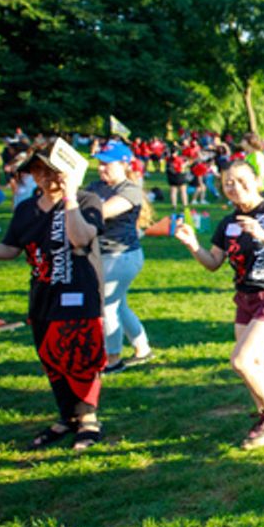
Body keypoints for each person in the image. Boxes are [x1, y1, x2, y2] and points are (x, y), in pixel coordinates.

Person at [0, 144, 109, 450]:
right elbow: (11, 249)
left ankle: (88, 419)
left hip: (81, 295)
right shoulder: (26, 208)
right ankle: (67, 417)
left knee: (80, 357)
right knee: (51, 358)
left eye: (51, 169)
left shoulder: (87, 201)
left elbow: (80, 239)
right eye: (38, 170)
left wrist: (70, 196)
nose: (45, 176)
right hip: (42, 297)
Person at [173, 161, 264, 449]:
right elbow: (213, 264)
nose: (235, 187)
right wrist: (192, 244)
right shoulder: (227, 223)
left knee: (241, 360)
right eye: (228, 183)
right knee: (254, 363)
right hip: (245, 298)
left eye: (241, 180)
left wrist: (262, 234)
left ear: (257, 180)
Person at [86, 142, 155, 373]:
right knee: (118, 304)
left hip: (121, 257)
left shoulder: (130, 189)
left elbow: (101, 212)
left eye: (107, 164)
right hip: (102, 255)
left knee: (107, 307)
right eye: (100, 163)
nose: (101, 168)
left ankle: (112, 360)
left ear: (124, 164)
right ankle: (142, 349)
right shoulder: (95, 186)